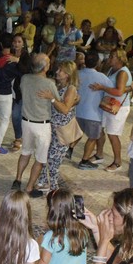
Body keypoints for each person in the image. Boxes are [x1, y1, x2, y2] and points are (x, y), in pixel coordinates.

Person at [13, 53, 56, 195]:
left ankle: (18, 180)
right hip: (42, 125)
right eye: (48, 63)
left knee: (25, 152)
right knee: (40, 159)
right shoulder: (49, 84)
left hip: (26, 122)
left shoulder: (25, 78)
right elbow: (58, 102)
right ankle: (29, 187)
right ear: (45, 67)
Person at [39, 60, 80, 193]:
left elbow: (65, 109)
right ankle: (44, 182)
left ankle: (53, 188)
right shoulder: (57, 85)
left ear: (67, 74)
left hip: (61, 130)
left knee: (54, 159)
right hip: (51, 127)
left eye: (60, 70)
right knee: (44, 155)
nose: (57, 72)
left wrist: (51, 98)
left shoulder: (71, 89)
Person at [90, 50, 132, 172]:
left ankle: (118, 162)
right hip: (108, 104)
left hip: (118, 107)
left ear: (119, 58)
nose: (109, 58)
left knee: (113, 134)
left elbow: (119, 91)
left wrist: (102, 87)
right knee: (100, 129)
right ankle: (99, 154)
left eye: (112, 56)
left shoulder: (122, 72)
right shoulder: (111, 69)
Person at [76, 52, 110, 170]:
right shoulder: (102, 77)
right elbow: (112, 91)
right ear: (98, 63)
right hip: (93, 114)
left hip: (77, 111)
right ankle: (84, 161)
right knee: (92, 138)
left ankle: (69, 150)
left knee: (76, 133)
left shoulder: (77, 74)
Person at [0, 38, 21, 155]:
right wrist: (18, 60)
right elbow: (20, 73)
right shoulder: (11, 61)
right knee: (5, 119)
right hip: (5, 92)